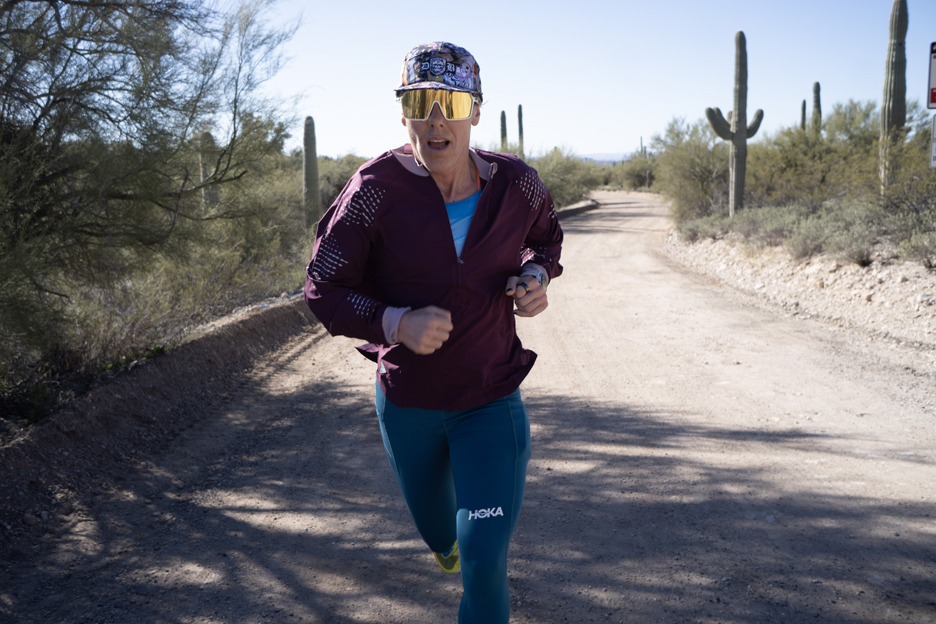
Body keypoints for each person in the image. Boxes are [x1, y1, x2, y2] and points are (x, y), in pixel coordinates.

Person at [304, 41, 563, 623]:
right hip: (408, 403)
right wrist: (394, 322)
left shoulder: (516, 185)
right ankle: (445, 546)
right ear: (404, 113)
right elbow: (322, 285)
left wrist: (534, 274)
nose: (436, 119)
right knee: (443, 540)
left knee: (482, 558)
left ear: (475, 110)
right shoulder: (374, 192)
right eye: (421, 102)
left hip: (489, 399)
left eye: (450, 102)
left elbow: (546, 238)